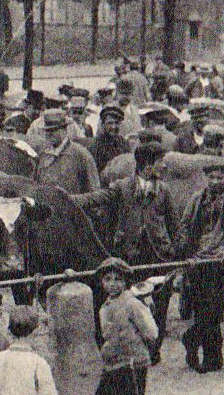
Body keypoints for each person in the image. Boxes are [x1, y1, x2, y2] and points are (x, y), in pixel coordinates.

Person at [73, 144, 178, 361]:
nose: (164, 166)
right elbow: (96, 198)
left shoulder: (165, 190)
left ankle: (153, 351)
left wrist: (176, 254)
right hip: (129, 257)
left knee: (159, 305)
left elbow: (174, 224)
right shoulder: (122, 187)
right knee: (127, 302)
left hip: (158, 256)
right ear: (147, 165)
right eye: (160, 161)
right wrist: (68, 200)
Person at [68, 257, 156, 395]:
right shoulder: (105, 307)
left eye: (118, 279)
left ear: (126, 282)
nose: (113, 284)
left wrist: (133, 347)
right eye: (108, 279)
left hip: (132, 367)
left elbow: (151, 333)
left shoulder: (133, 304)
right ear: (101, 282)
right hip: (112, 367)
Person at [178, 159, 224, 373]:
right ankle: (213, 358)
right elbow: (184, 226)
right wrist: (187, 253)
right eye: (211, 177)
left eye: (220, 177)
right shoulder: (196, 199)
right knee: (203, 310)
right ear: (206, 178)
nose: (215, 181)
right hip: (200, 262)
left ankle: (191, 338)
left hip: (223, 262)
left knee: (217, 310)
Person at [33, 109, 101, 195]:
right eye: (47, 130)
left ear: (64, 130)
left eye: (54, 130)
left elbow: (94, 192)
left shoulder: (80, 154)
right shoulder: (43, 155)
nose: (49, 134)